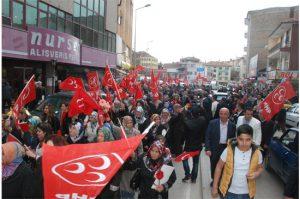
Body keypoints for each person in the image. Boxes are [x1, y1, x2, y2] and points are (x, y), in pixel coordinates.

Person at [211, 124, 264, 199]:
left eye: (248, 139)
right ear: (237, 138)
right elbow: (219, 167)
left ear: (252, 139)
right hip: (228, 192)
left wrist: (257, 173)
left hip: (247, 194)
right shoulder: (228, 151)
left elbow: (260, 167)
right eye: (241, 139)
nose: (244, 143)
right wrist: (214, 187)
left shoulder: (257, 153)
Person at [205, 107, 236, 186]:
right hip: (214, 148)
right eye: (221, 114)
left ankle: (222, 180)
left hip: (226, 148)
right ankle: (214, 179)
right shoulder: (212, 123)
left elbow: (233, 139)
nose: (223, 116)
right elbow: (207, 136)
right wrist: (208, 149)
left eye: (225, 114)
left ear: (228, 115)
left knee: (225, 165)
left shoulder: (232, 125)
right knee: (214, 164)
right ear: (219, 114)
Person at [182, 106, 207, 183]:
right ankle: (194, 178)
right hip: (198, 145)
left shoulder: (187, 122)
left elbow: (184, 135)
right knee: (196, 162)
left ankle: (187, 174)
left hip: (188, 145)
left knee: (184, 159)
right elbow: (204, 132)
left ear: (191, 113)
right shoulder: (203, 120)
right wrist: (203, 142)